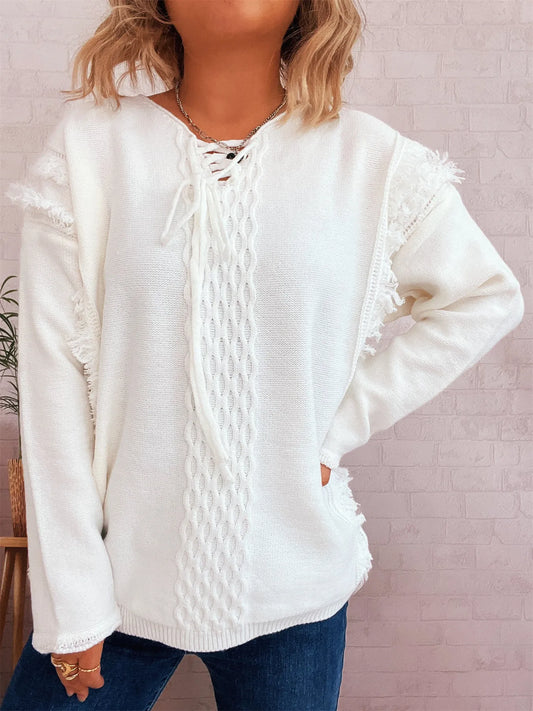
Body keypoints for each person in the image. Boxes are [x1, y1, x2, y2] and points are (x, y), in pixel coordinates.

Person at [1, 0, 524, 709]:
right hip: (115, 577)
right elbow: (52, 382)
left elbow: (484, 296)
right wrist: (72, 601)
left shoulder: (369, 160)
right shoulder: (90, 148)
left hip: (296, 587)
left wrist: (339, 426)